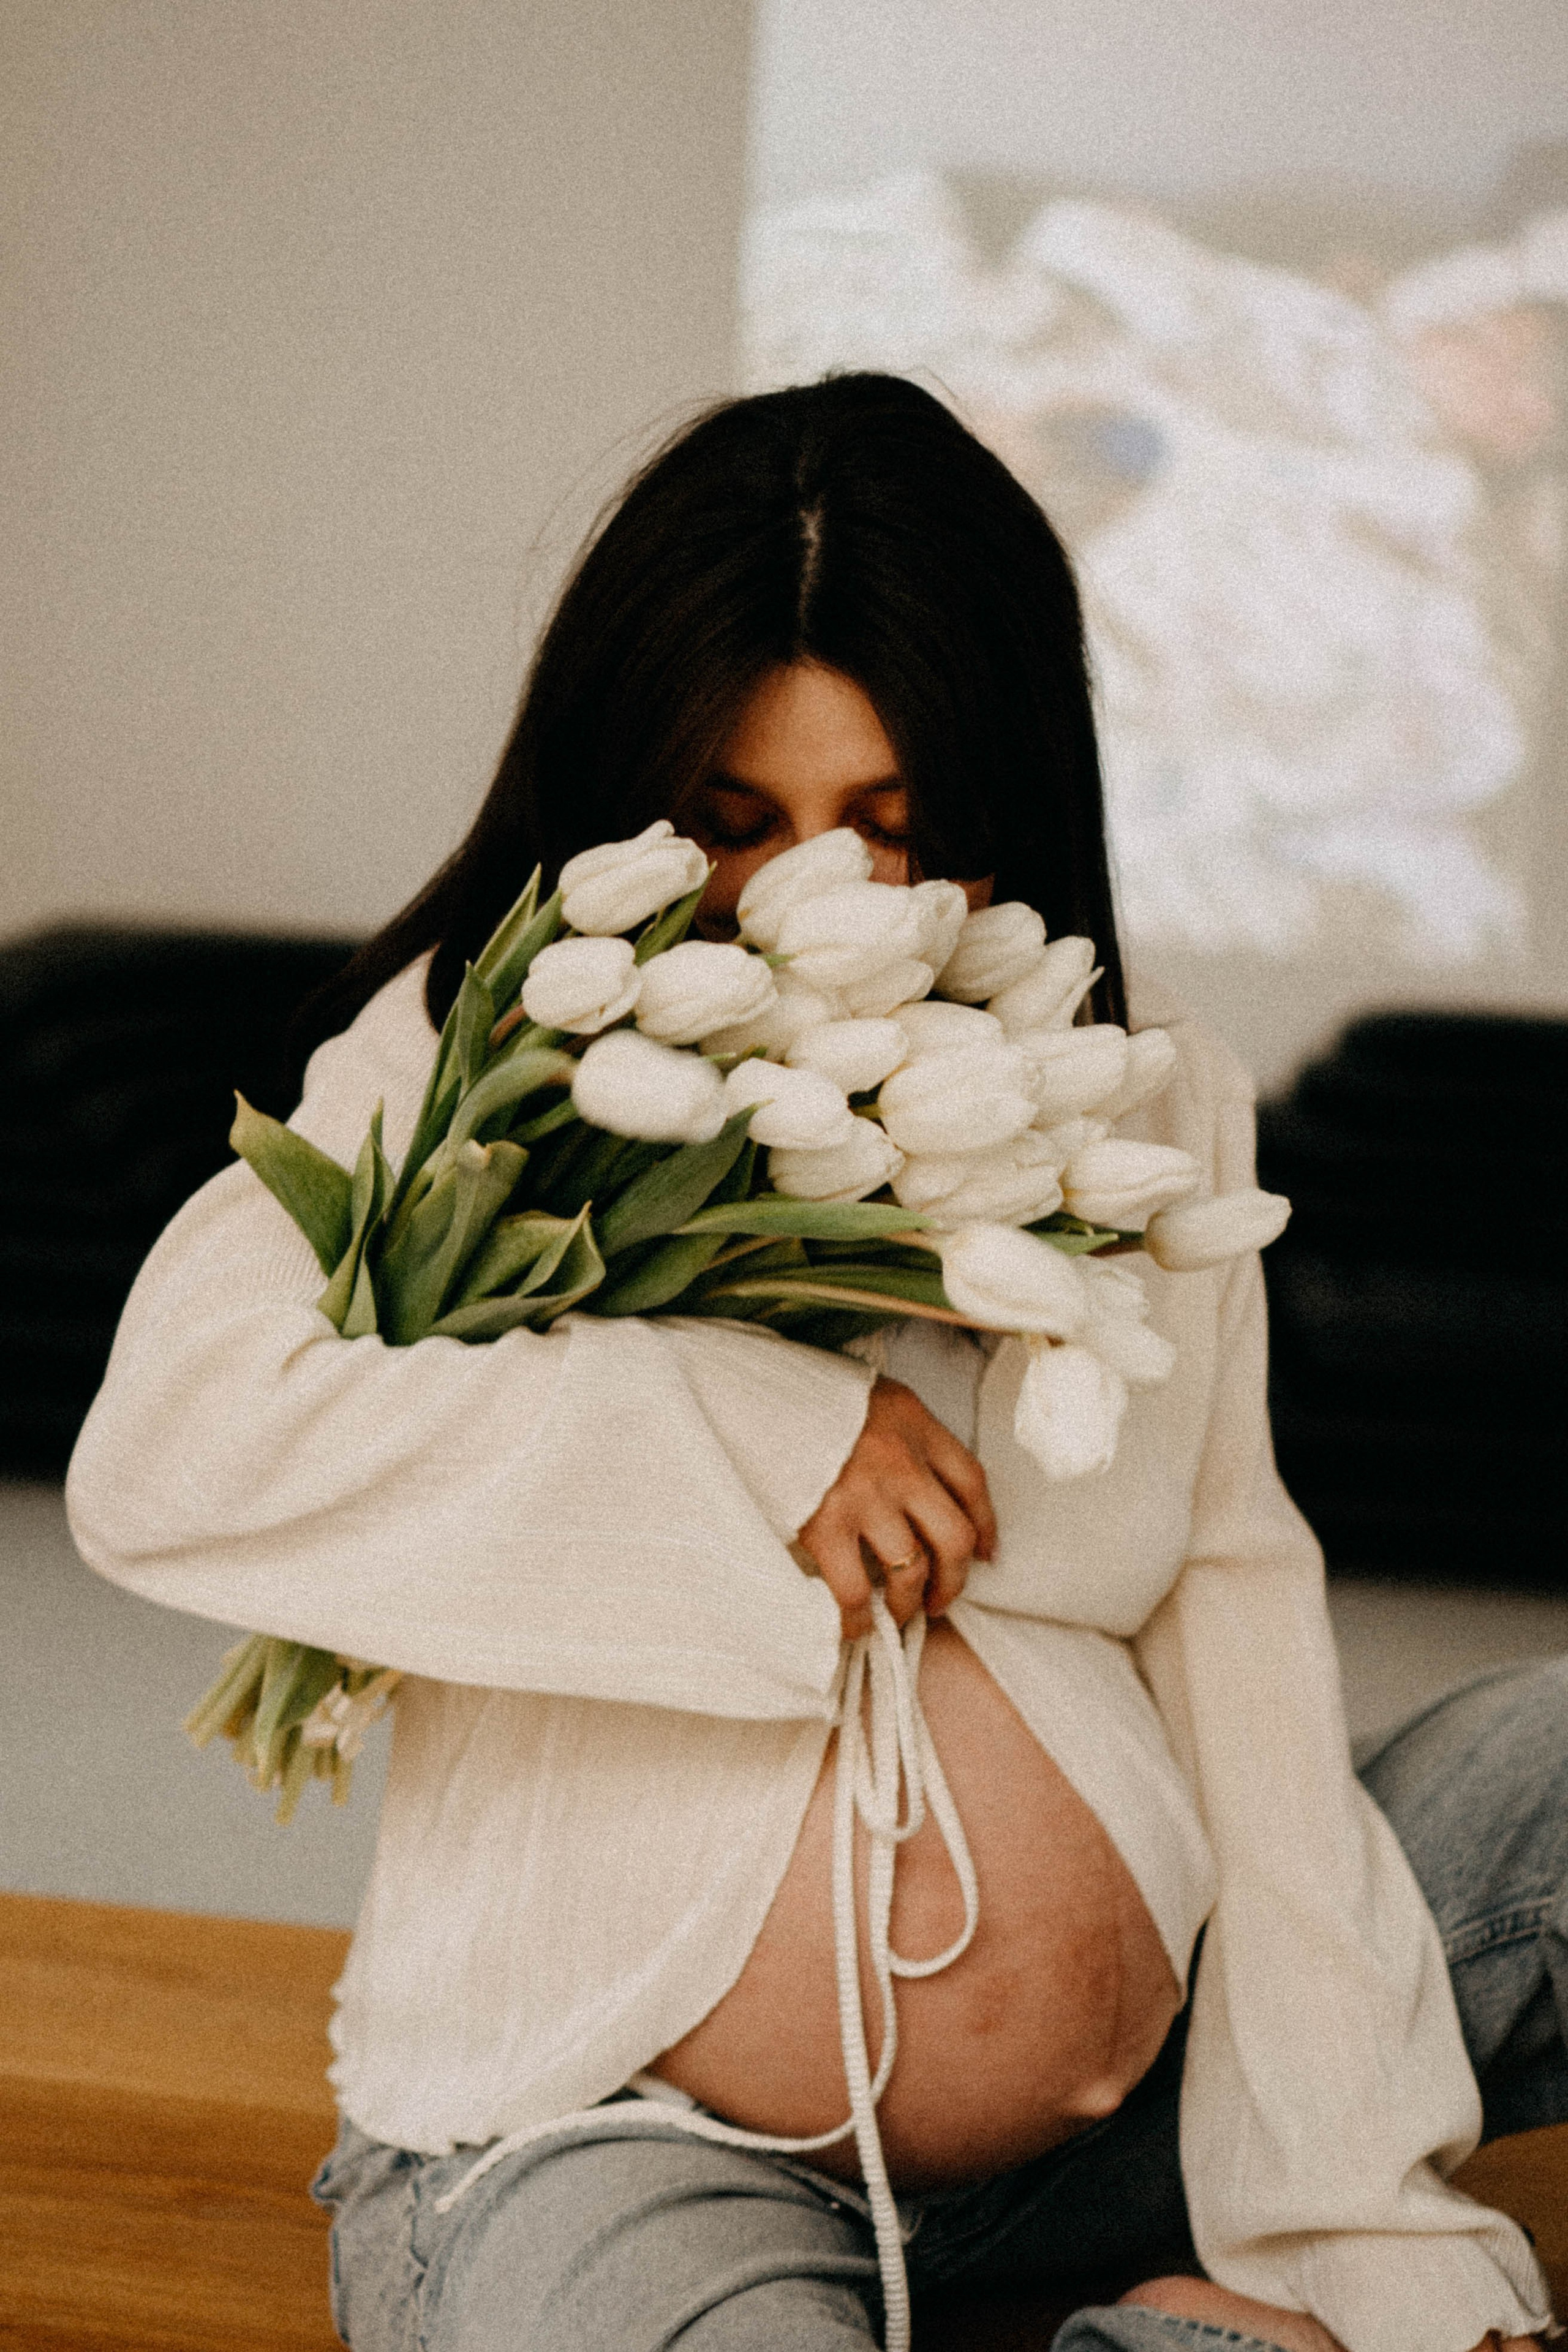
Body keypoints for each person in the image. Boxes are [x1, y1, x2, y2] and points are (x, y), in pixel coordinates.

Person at [66, 374, 1566, 2352]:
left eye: (897, 825)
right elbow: (173, 1449)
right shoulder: (480, 1062)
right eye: (734, 823)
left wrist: (1349, 2211)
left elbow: (1230, 1611)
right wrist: (750, 1431)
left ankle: (1190, 2287)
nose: (813, 908)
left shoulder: (1140, 1086)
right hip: (604, 2142)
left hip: (1131, 2119)